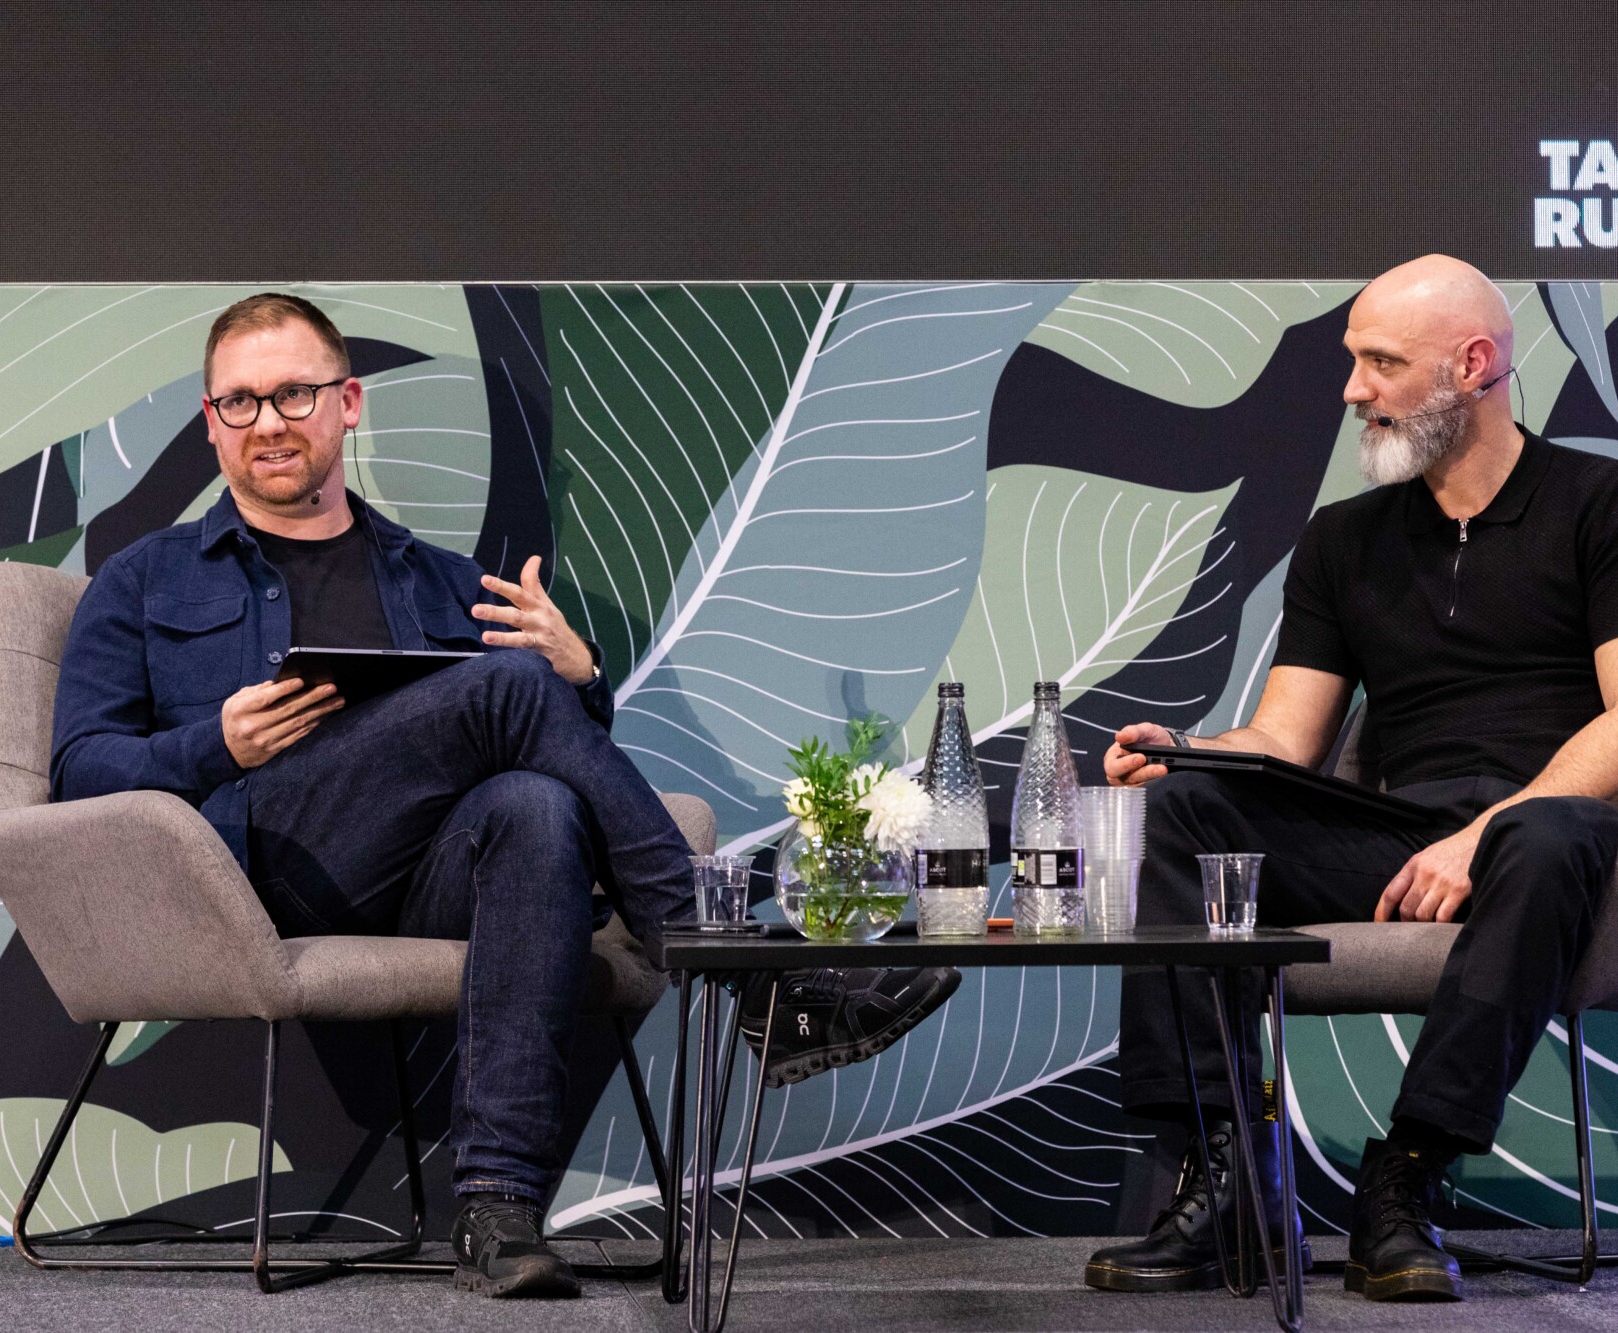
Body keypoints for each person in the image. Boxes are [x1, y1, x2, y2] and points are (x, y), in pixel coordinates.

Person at [49, 293, 958, 1299]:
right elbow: (78, 770)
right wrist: (212, 744)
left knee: (537, 808)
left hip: (424, 882)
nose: (269, 421)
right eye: (241, 401)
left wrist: (579, 677)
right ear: (212, 420)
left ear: (347, 402)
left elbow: (558, 744)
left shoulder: (443, 583)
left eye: (295, 394)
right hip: (264, 872)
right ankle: (755, 979)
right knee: (510, 692)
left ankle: (496, 1207)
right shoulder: (143, 580)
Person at [1083, 256, 1618, 1303]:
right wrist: (1181, 751)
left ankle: (1404, 1176)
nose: (1351, 389)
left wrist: (1481, 834)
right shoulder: (1344, 538)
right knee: (1185, 807)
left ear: (1472, 365)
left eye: (1380, 363)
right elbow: (1287, 739)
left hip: (1554, 832)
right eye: (1352, 360)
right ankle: (1228, 1169)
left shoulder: (1611, 504)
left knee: (1542, 836)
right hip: (1399, 834)